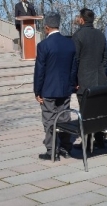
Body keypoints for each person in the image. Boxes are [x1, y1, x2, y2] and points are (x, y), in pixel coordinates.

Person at [33, 12, 76, 160]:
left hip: (49, 89)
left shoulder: (43, 45)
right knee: (64, 118)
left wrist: (37, 91)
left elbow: (40, 70)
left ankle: (52, 151)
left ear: (46, 27)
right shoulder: (69, 43)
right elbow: (73, 68)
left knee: (50, 119)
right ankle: (65, 147)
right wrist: (71, 85)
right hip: (65, 88)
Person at [72, 7, 107, 147]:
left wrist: (75, 80)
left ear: (81, 19)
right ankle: (99, 139)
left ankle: (86, 142)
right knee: (98, 110)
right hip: (100, 79)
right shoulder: (100, 34)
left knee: (85, 112)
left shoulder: (78, 35)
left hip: (84, 80)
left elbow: (75, 60)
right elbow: (105, 58)